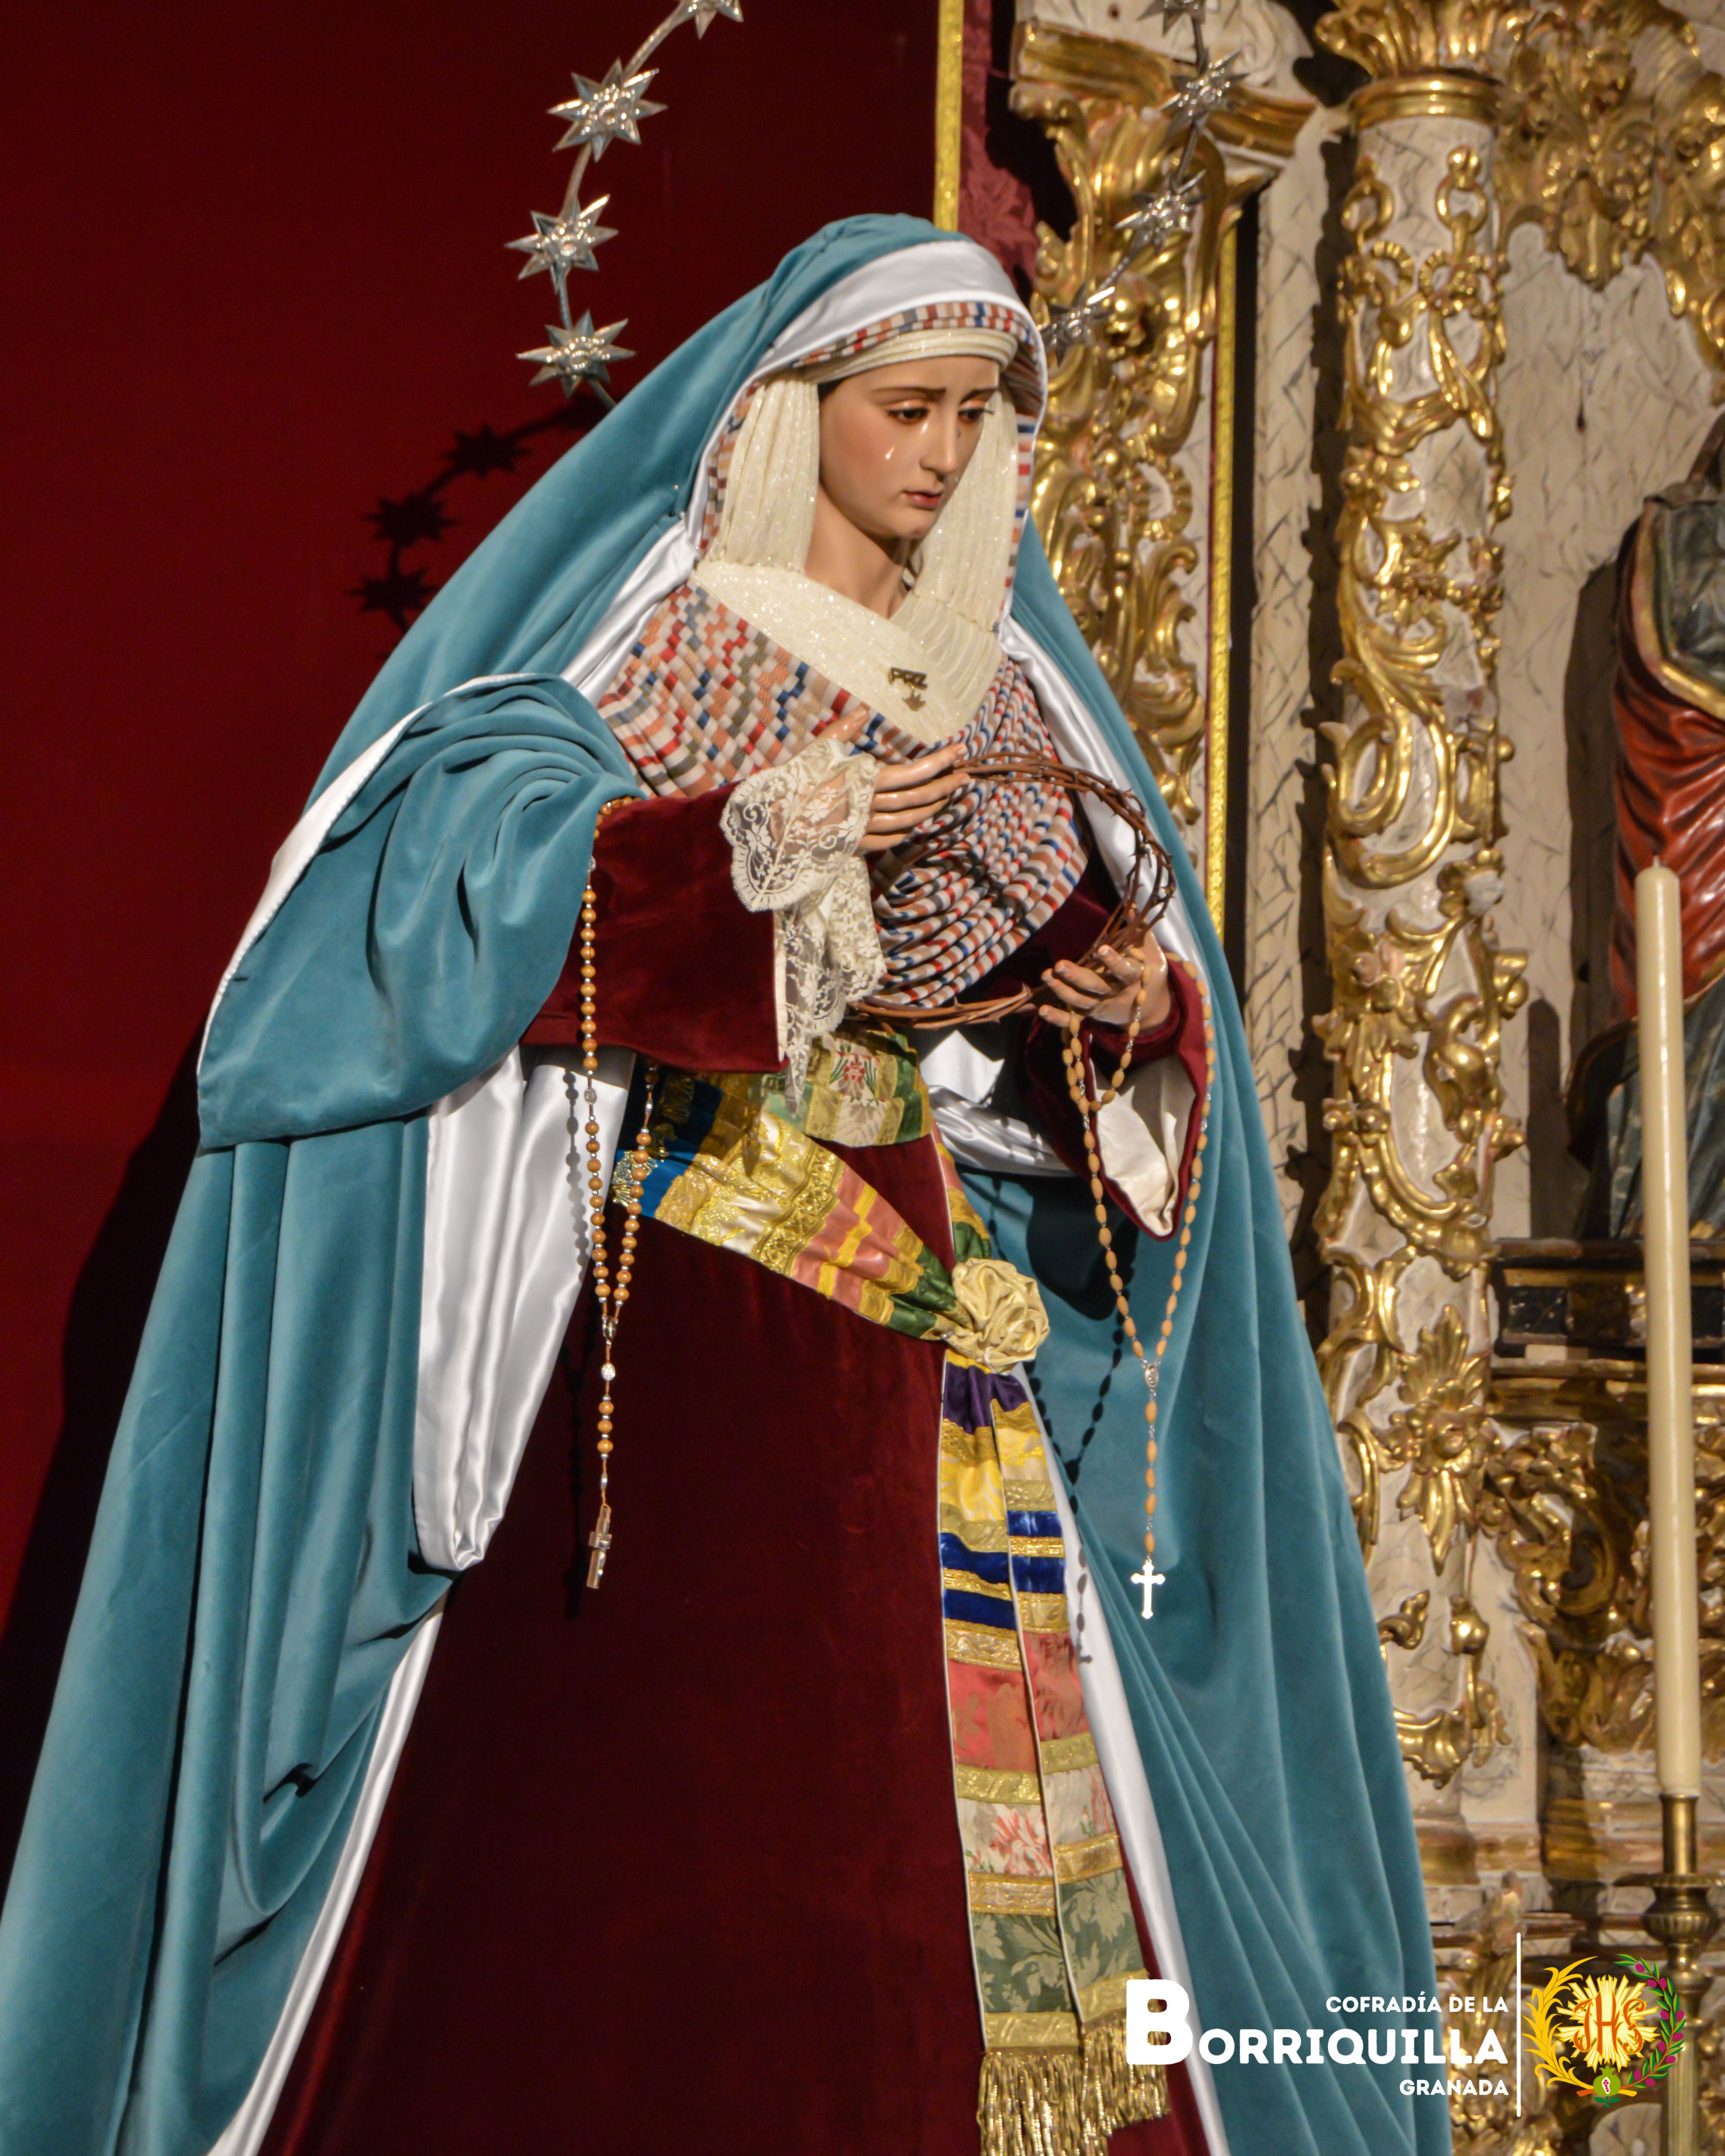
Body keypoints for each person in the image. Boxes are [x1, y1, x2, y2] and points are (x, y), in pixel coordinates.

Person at [0, 217, 1444, 2156]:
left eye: (975, 418)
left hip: (937, 1326)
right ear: (796, 406)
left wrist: (1125, 1010)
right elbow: (466, 904)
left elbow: (1044, 1016)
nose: (941, 454)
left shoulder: (1005, 683)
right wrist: (765, 834)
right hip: (691, 1309)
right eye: (905, 408)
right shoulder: (662, 637)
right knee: (681, 1828)